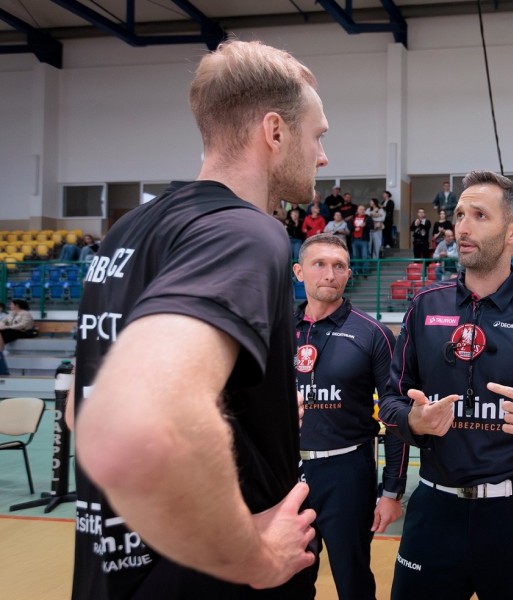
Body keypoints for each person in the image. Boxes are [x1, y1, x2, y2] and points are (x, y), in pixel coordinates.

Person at [66, 40, 330, 599]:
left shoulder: (128, 231)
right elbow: (142, 418)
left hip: (113, 571)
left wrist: (250, 421)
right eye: (317, 135)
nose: (323, 156)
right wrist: (253, 556)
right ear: (275, 132)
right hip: (204, 578)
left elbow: (80, 407)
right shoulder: (246, 233)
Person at [378, 170, 513, 600]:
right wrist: (414, 422)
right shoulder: (424, 305)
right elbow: (390, 402)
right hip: (435, 511)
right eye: (459, 215)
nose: (462, 227)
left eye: (479, 215)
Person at [292, 234, 406, 600]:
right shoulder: (278, 329)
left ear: (348, 273)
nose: (330, 274)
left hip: (346, 472)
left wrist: (391, 490)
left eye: (339, 266)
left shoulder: (372, 333)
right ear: (299, 272)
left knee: (352, 578)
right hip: (286, 473)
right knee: (287, 578)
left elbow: (395, 416)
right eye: (319, 264)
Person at [350, 204, 373, 276]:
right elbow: (349, 226)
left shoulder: (368, 217)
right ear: (357, 210)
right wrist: (354, 229)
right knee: (355, 256)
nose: (362, 211)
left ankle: (365, 271)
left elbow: (372, 226)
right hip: (355, 239)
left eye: (363, 209)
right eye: (360, 209)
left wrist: (365, 225)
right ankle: (357, 270)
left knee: (364, 256)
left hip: (364, 239)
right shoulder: (353, 217)